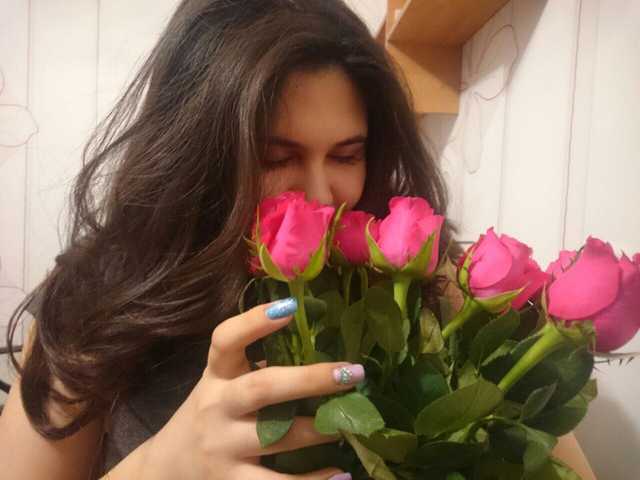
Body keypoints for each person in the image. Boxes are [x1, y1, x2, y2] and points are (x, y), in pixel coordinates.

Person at [0, 1, 595, 479]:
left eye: (347, 155)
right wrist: (159, 466)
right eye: (275, 158)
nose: (320, 197)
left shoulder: (424, 275)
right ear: (193, 157)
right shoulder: (95, 300)